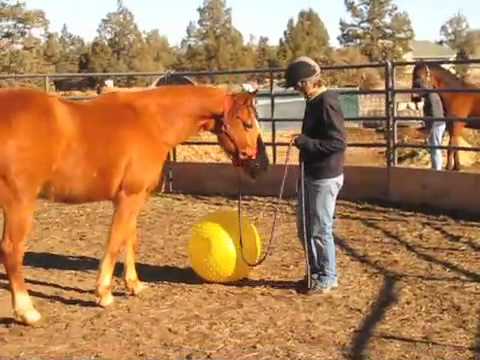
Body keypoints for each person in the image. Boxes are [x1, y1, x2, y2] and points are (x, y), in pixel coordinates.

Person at [282, 56, 346, 294]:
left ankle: (327, 276)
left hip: (324, 175)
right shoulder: (314, 100)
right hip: (311, 172)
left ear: (306, 83)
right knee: (305, 227)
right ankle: (316, 272)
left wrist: (304, 143)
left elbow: (337, 142)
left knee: (319, 228)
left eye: (298, 85)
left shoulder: (326, 102)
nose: (297, 90)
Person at [423, 91, 446, 170]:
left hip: (436, 125)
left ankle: (437, 170)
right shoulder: (432, 94)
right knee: (435, 148)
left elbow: (434, 114)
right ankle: (436, 168)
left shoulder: (430, 96)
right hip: (438, 124)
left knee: (435, 149)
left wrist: (429, 130)